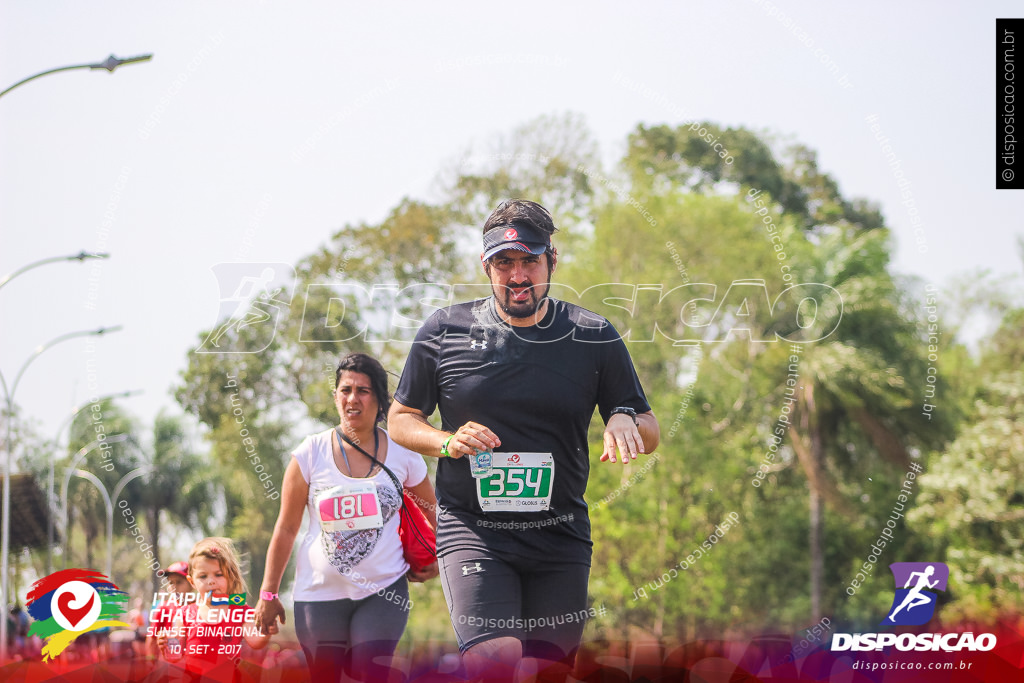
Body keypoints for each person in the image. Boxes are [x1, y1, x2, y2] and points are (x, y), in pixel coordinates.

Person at [388, 199, 660, 680]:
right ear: (486, 267)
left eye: (529, 260)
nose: (517, 276)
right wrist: (448, 441)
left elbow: (648, 426)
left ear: (552, 259)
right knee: (496, 659)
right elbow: (402, 418)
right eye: (503, 263)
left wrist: (623, 419)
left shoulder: (592, 335)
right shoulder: (444, 331)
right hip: (474, 531)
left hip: (559, 534)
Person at [254, 352, 438, 682]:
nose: (353, 398)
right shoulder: (310, 453)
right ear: (336, 396)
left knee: (371, 673)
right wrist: (268, 594)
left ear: (381, 400)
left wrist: (443, 561)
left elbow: (435, 513)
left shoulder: (403, 454)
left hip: (383, 591)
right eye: (345, 390)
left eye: (363, 391)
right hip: (318, 596)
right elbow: (286, 528)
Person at [157, 538, 273, 680]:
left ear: (230, 577)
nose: (211, 581)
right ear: (192, 581)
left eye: (218, 574)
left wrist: (267, 628)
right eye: (203, 576)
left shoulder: (240, 611)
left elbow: (256, 641)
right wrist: (165, 647)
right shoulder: (184, 613)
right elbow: (175, 655)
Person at [146, 560, 191, 659]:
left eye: (179, 582)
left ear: (191, 583)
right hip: (169, 664)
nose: (174, 587)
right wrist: (150, 663)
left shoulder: (199, 608)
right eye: (171, 582)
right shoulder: (164, 608)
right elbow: (152, 638)